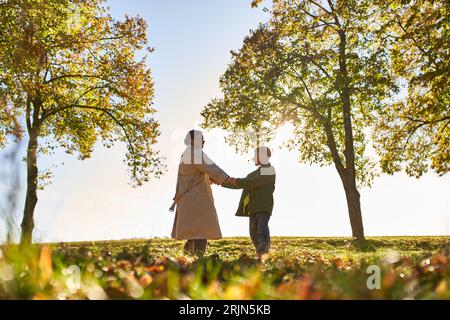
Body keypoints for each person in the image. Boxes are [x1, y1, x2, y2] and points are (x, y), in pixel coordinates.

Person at [171, 130, 234, 256]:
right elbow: (211, 167)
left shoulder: (187, 154)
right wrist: (227, 179)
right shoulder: (195, 153)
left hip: (190, 199)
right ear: (193, 140)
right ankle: (195, 262)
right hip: (196, 200)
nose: (204, 142)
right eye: (202, 139)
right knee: (200, 232)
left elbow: (195, 173)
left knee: (194, 234)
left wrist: (210, 178)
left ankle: (186, 261)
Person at [222, 146, 276, 259]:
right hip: (252, 208)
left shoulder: (269, 170)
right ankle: (261, 256)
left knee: (262, 231)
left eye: (256, 156)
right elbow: (244, 183)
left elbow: (253, 182)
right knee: (253, 233)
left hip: (264, 206)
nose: (254, 158)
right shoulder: (252, 174)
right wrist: (221, 182)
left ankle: (264, 253)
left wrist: (236, 180)